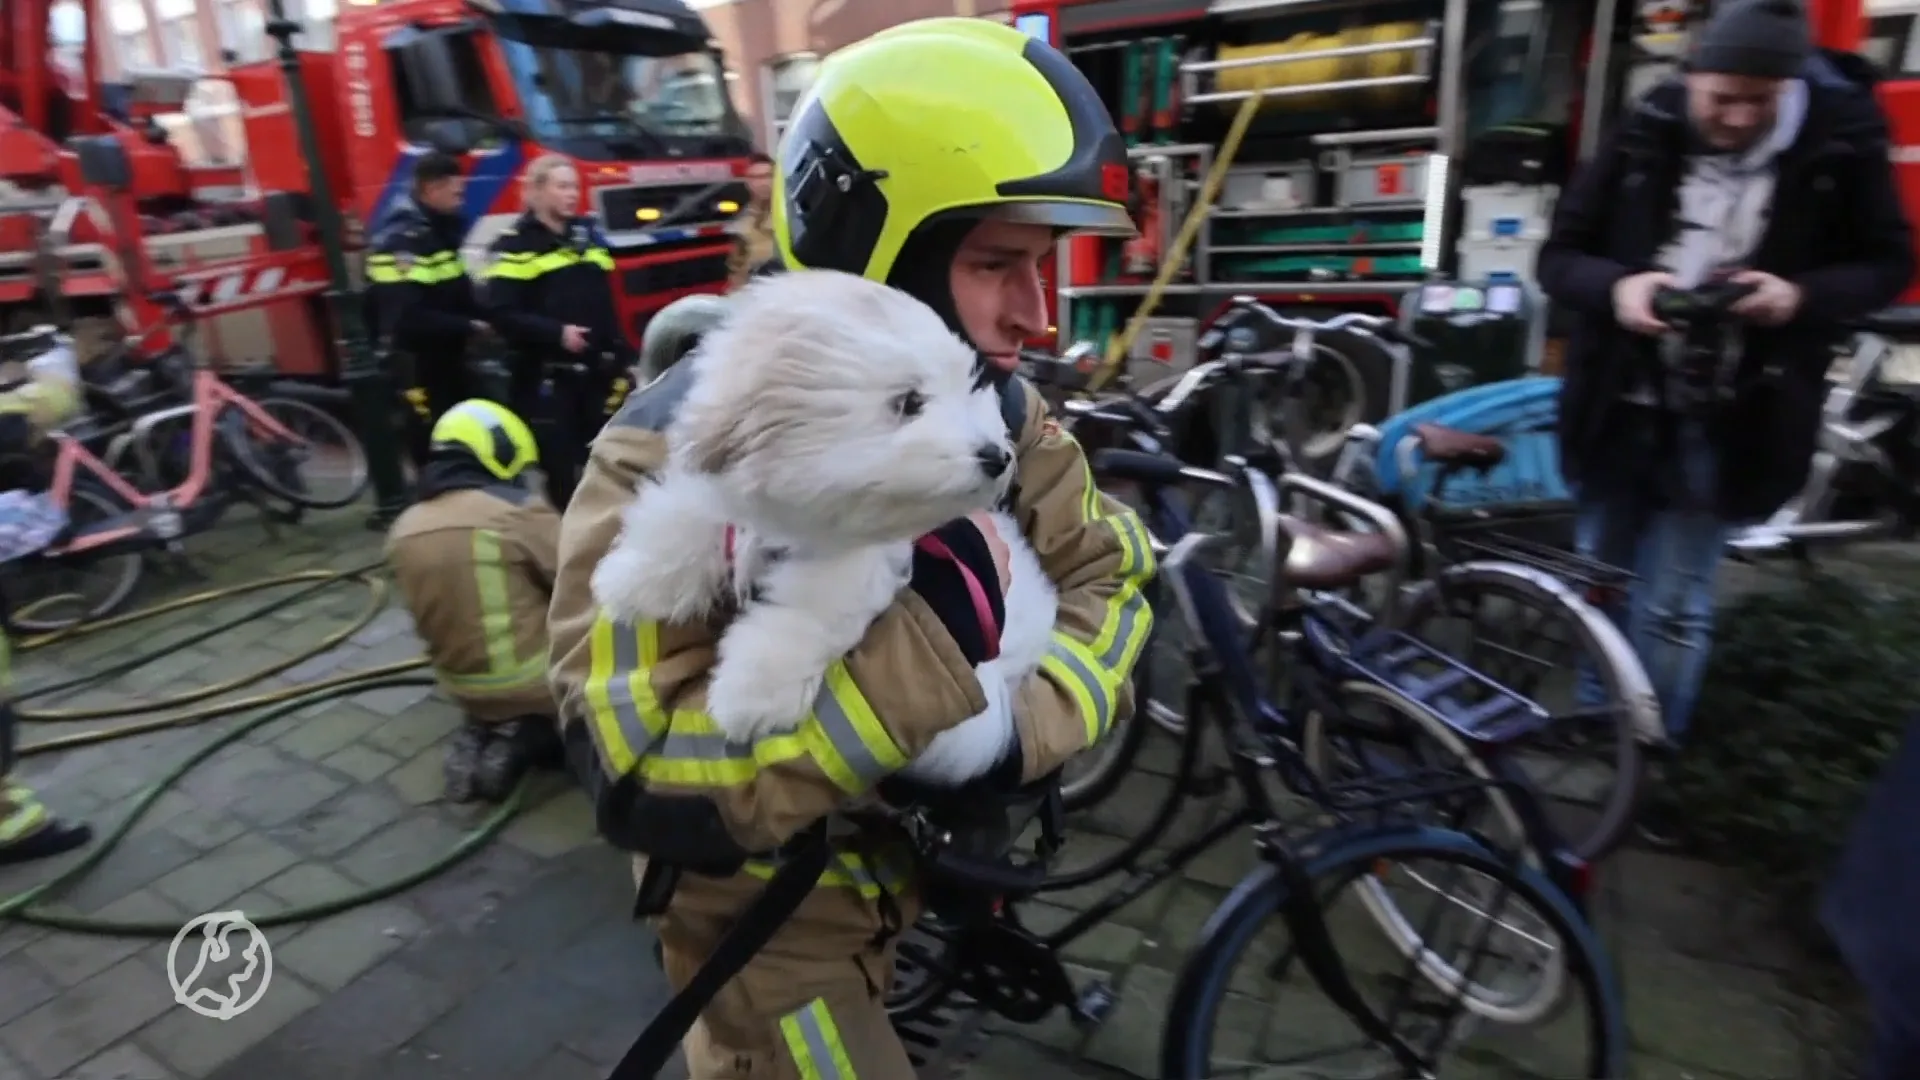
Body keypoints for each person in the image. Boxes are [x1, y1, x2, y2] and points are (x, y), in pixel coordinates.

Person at [545, 18, 1155, 1079]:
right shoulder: (665, 454)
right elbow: (635, 769)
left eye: (1045, 266)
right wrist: (911, 674)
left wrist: (1012, 734)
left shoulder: (1004, 417)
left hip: (912, 886)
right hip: (775, 939)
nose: (1039, 315)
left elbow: (1116, 578)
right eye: (999, 264)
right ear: (885, 257)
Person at [1535, 0, 1914, 822]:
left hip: (1739, 411)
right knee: (1600, 576)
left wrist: (1799, 296)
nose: (1739, 117)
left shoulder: (1840, 145)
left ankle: (1651, 758)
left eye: (1761, 99)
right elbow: (1559, 257)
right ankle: (1592, 726)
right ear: (1691, 76)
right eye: (1723, 98)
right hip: (1620, 400)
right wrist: (1621, 289)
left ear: (1790, 88)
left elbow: (1889, 263)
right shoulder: (1644, 129)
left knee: (1675, 600)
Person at [384, 399, 563, 802]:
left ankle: (491, 726)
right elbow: (579, 584)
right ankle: (529, 732)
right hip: (539, 684)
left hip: (458, 683)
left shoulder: (403, 528)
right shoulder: (516, 514)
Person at [482, 155, 639, 510]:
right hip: (547, 380)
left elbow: (604, 305)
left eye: (575, 187)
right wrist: (556, 333)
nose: (573, 194)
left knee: (610, 459)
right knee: (561, 471)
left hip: (597, 373)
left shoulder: (587, 235)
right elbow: (501, 314)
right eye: (562, 186)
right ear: (537, 191)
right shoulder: (514, 245)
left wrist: (626, 355)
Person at [366, 152, 490, 467]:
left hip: (449, 357)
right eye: (455, 192)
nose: (461, 200)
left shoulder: (438, 232)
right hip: (419, 364)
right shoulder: (401, 243)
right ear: (432, 190)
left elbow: (455, 291)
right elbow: (405, 318)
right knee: (433, 445)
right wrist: (470, 326)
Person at [723, 151, 777, 291]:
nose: (762, 183)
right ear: (747, 182)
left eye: (767, 176)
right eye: (754, 178)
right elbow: (736, 267)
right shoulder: (742, 222)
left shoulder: (790, 212)